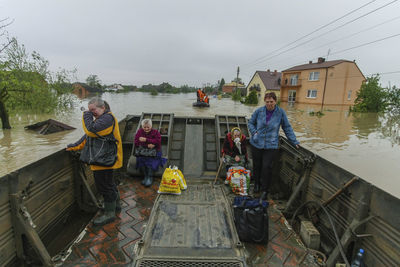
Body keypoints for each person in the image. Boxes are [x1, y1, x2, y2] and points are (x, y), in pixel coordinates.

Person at [67, 97, 123, 226]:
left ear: (102, 107)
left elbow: (91, 130)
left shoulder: (108, 118)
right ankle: (116, 206)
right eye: (90, 110)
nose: (92, 112)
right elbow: (87, 137)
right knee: (109, 184)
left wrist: (86, 115)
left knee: (105, 187)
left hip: (106, 160)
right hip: (102, 160)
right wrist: (73, 146)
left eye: (93, 110)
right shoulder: (100, 119)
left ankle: (110, 214)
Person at [248, 92, 299, 198]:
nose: (269, 104)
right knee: (257, 165)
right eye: (267, 102)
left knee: (266, 167)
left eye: (271, 102)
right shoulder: (259, 111)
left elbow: (287, 127)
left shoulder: (280, 113)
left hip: (271, 145)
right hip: (257, 143)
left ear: (275, 101)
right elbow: (250, 123)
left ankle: (265, 190)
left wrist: (294, 141)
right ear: (264, 102)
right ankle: (257, 184)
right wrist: (254, 132)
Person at [134, 119, 166, 187]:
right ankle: (145, 176)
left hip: (154, 152)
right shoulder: (139, 132)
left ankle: (150, 177)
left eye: (148, 127)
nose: (146, 129)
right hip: (143, 151)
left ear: (151, 126)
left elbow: (158, 142)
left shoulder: (155, 132)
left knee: (150, 161)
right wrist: (147, 145)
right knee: (140, 160)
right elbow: (136, 142)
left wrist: (146, 140)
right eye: (144, 127)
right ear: (142, 126)